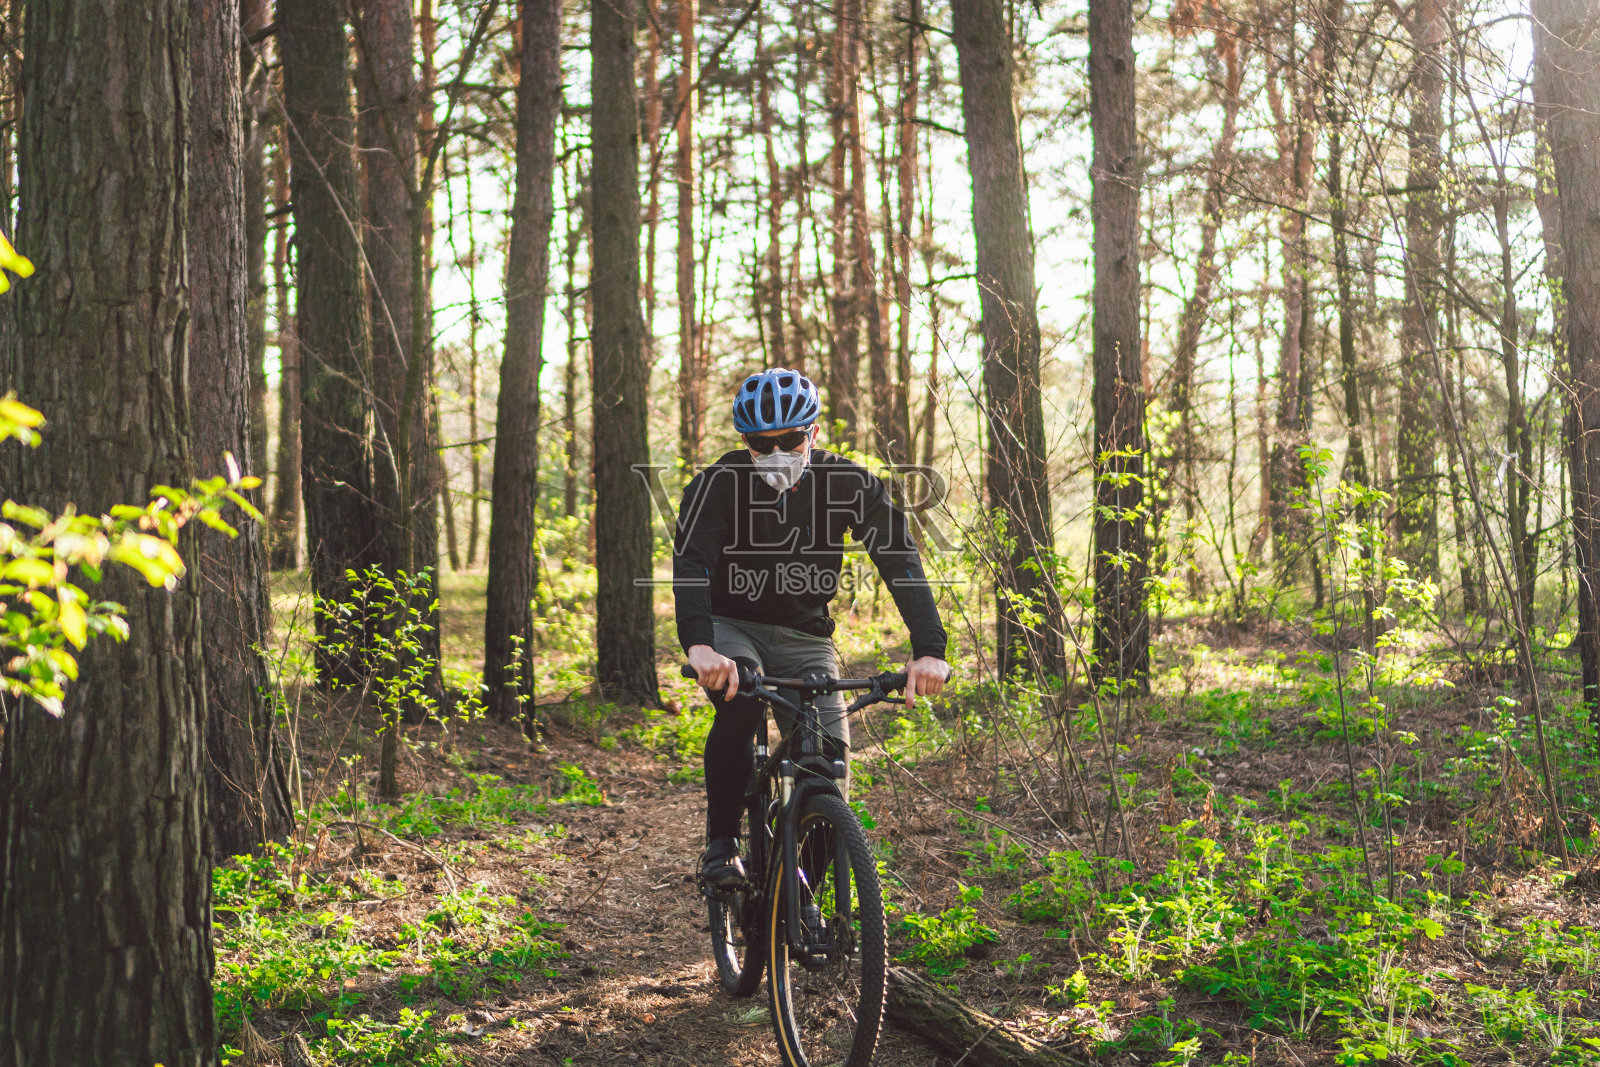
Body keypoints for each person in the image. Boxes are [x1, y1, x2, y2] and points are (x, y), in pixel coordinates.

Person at [674, 368, 950, 886]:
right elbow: (692, 565)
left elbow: (900, 561)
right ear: (745, 443)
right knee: (742, 697)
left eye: (790, 439)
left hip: (806, 636)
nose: (777, 452)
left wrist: (929, 649)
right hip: (732, 625)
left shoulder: (848, 483)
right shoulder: (716, 485)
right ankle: (721, 846)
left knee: (829, 768)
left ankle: (794, 896)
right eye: (761, 443)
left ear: (813, 433)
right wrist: (700, 646)